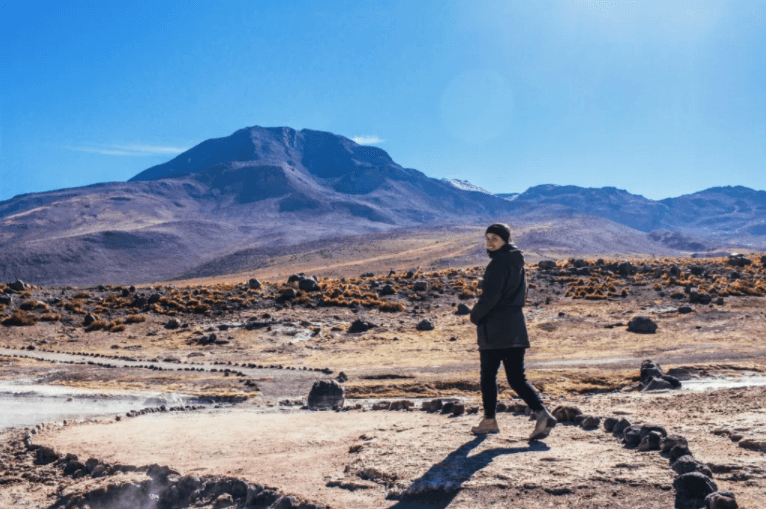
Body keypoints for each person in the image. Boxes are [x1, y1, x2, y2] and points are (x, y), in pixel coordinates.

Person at [469, 223, 557, 440]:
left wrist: (475, 316)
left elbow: (490, 297)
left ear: (505, 241)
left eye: (495, 239)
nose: (489, 242)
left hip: (495, 330)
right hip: (516, 328)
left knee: (488, 376)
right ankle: (542, 413)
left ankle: (489, 420)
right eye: (487, 238)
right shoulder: (518, 263)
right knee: (517, 378)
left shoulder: (498, 264)